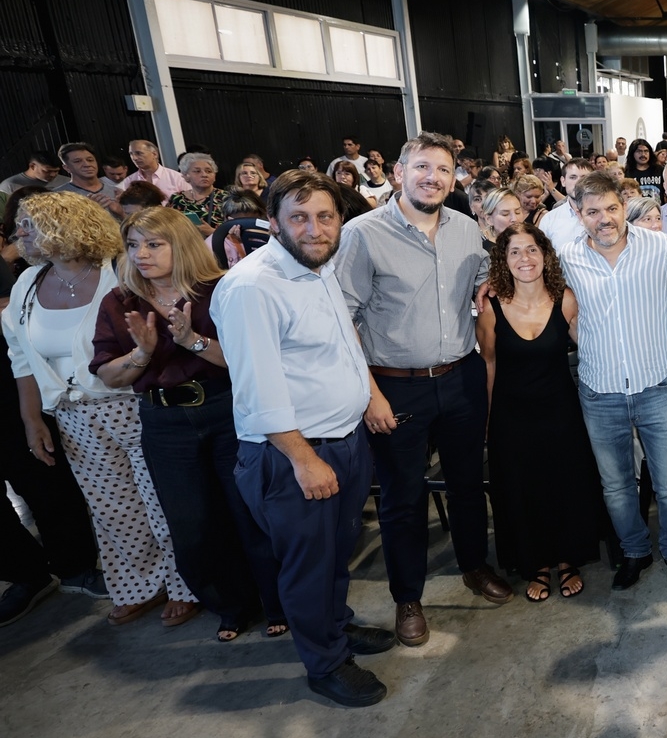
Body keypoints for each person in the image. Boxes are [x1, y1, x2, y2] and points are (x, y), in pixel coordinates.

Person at [213, 170, 394, 706]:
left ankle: (334, 626)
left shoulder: (319, 269)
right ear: (272, 222)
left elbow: (343, 343)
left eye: (325, 216)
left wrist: (370, 395)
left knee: (334, 553)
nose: (315, 229)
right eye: (299, 217)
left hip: (343, 439)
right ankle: (326, 664)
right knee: (308, 566)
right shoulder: (253, 287)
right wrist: (303, 458)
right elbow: (258, 388)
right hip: (294, 453)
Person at [337, 133, 513, 649]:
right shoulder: (362, 234)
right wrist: (369, 394)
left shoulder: (465, 228)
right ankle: (408, 598)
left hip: (460, 377)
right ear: (398, 172)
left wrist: (491, 287)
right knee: (402, 499)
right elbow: (343, 320)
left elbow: (483, 281)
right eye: (421, 168)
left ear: (454, 176)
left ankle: (474, 566)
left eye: (442, 169)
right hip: (395, 387)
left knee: (467, 485)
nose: (432, 178)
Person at [89, 206, 284, 641]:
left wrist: (191, 340)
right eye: (133, 245)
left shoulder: (222, 289)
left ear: (181, 245)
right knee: (192, 524)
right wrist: (142, 353)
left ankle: (277, 601)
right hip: (164, 421)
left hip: (227, 408)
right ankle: (231, 605)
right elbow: (108, 374)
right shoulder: (119, 302)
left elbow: (248, 359)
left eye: (153, 244)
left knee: (250, 512)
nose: (141, 254)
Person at [4, 192, 198, 626]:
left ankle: (187, 582)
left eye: (29, 225)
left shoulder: (120, 271)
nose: (18, 234)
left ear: (64, 226)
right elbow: (21, 356)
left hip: (136, 404)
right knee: (113, 509)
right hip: (73, 416)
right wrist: (31, 418)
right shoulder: (28, 283)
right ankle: (143, 584)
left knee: (164, 500)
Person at [560, 171, 667, 591]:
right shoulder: (566, 258)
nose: (604, 219)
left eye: (611, 208)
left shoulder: (658, 246)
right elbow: (541, 297)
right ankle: (635, 551)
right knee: (616, 486)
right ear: (578, 214)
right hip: (600, 391)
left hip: (657, 385)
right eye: (593, 212)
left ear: (624, 206)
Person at [476, 222, 598, 604]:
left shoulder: (566, 299)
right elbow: (489, 365)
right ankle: (538, 563)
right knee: (523, 490)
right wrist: (488, 421)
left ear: (545, 255)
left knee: (565, 484)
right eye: (514, 252)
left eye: (531, 249)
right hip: (512, 416)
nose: (524, 258)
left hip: (561, 412)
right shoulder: (491, 308)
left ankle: (567, 559)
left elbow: (594, 347)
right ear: (503, 260)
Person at [538, 158, 591, 251]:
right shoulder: (549, 219)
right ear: (563, 181)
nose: (578, 183)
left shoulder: (605, 216)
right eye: (573, 177)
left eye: (584, 178)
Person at [167, 152, 227, 229]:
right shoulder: (177, 199)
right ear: (185, 175)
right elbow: (168, 226)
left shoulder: (226, 198)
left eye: (209, 171)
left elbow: (235, 229)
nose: (204, 175)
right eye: (197, 171)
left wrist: (211, 232)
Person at [56, 143, 121, 214]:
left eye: (90, 160)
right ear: (67, 168)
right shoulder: (58, 196)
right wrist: (91, 210)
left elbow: (128, 219)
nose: (87, 164)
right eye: (77, 161)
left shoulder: (117, 191)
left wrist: (122, 214)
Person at [119, 140, 189, 199]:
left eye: (139, 153)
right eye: (131, 154)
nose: (134, 158)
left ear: (154, 154)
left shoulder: (177, 178)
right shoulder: (128, 182)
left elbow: (189, 204)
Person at [1, 151, 68, 205]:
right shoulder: (9, 186)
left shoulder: (67, 181)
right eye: (47, 171)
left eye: (56, 171)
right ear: (32, 166)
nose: (53, 174)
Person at [478, 187, 525, 253]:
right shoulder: (483, 253)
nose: (514, 219)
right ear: (489, 219)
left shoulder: (534, 243)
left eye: (517, 212)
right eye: (505, 214)